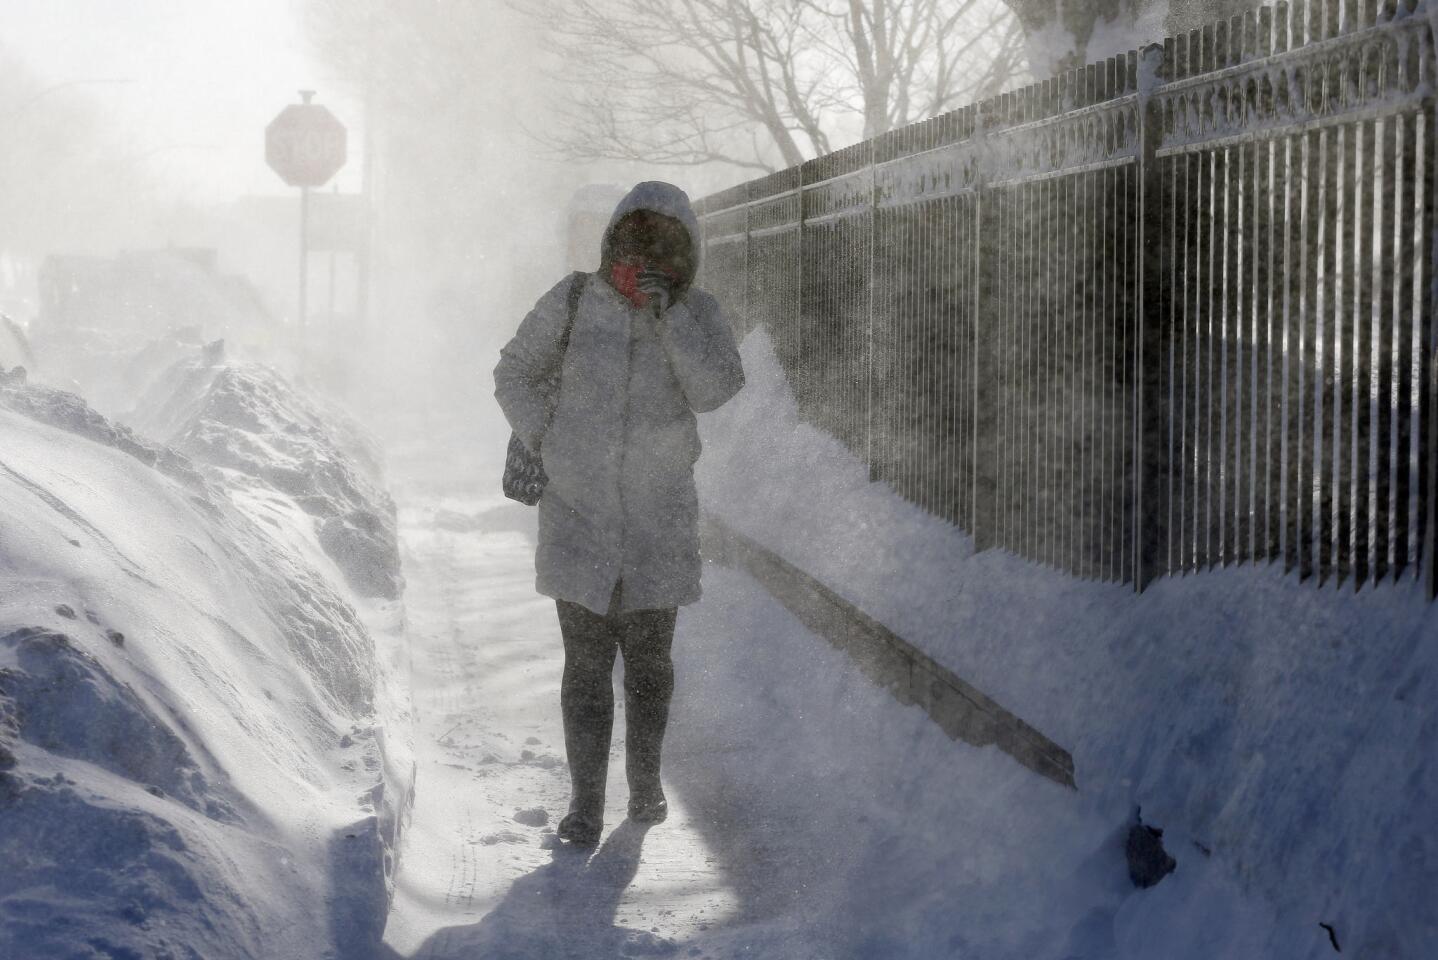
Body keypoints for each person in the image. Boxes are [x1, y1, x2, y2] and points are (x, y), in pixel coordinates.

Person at [493, 181, 745, 845]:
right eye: (635, 241)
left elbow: (717, 389)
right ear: (613, 241)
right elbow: (514, 371)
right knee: (584, 663)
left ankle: (645, 782)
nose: (645, 257)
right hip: (577, 513)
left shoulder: (700, 313)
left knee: (650, 663)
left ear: (686, 254)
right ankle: (583, 805)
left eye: (663, 246)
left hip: (659, 517)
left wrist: (672, 319)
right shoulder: (574, 299)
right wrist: (547, 436)